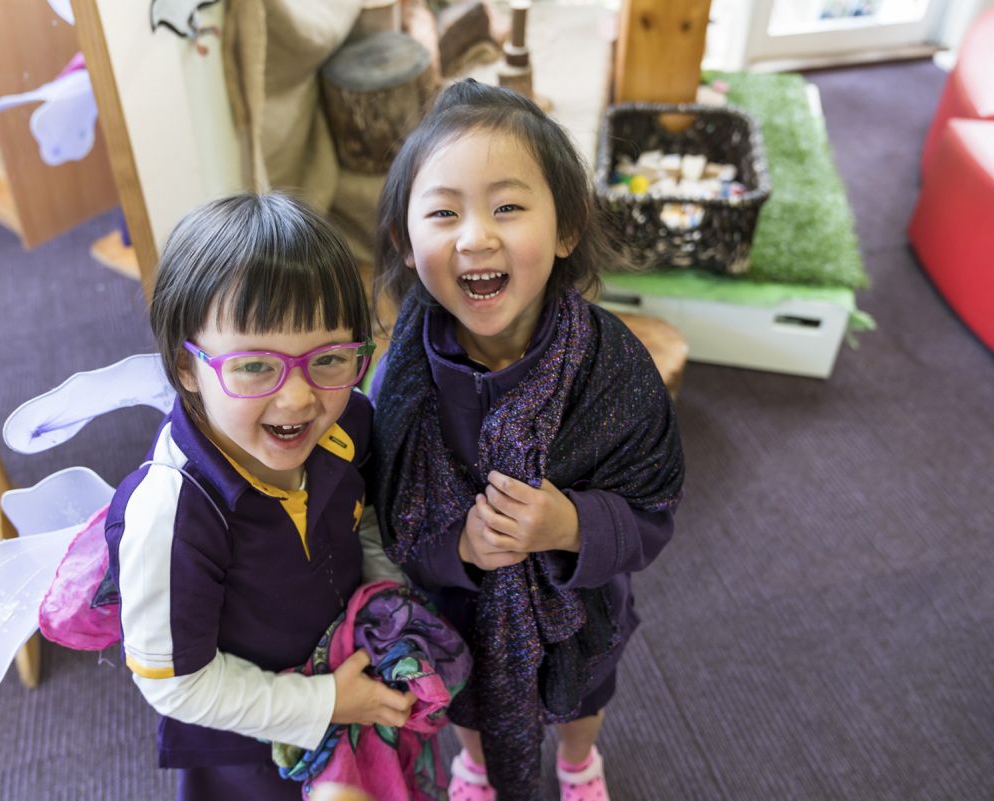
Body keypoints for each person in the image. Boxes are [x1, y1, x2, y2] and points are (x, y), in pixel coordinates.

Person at [371, 79, 686, 801]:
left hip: (580, 603)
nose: (476, 235)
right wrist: (457, 548)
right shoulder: (401, 380)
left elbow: (654, 500)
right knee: (466, 698)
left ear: (567, 228)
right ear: (406, 241)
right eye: (444, 212)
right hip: (456, 603)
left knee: (583, 697)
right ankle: (477, 763)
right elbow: (386, 514)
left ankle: (579, 762)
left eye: (508, 206)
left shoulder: (611, 366)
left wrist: (569, 523)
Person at [104, 192, 416, 801]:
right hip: (241, 744)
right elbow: (175, 682)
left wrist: (385, 599)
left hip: (346, 671)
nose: (299, 399)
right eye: (253, 367)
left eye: (328, 358)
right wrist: (324, 702)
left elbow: (364, 516)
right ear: (186, 368)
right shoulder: (173, 513)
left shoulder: (346, 420)